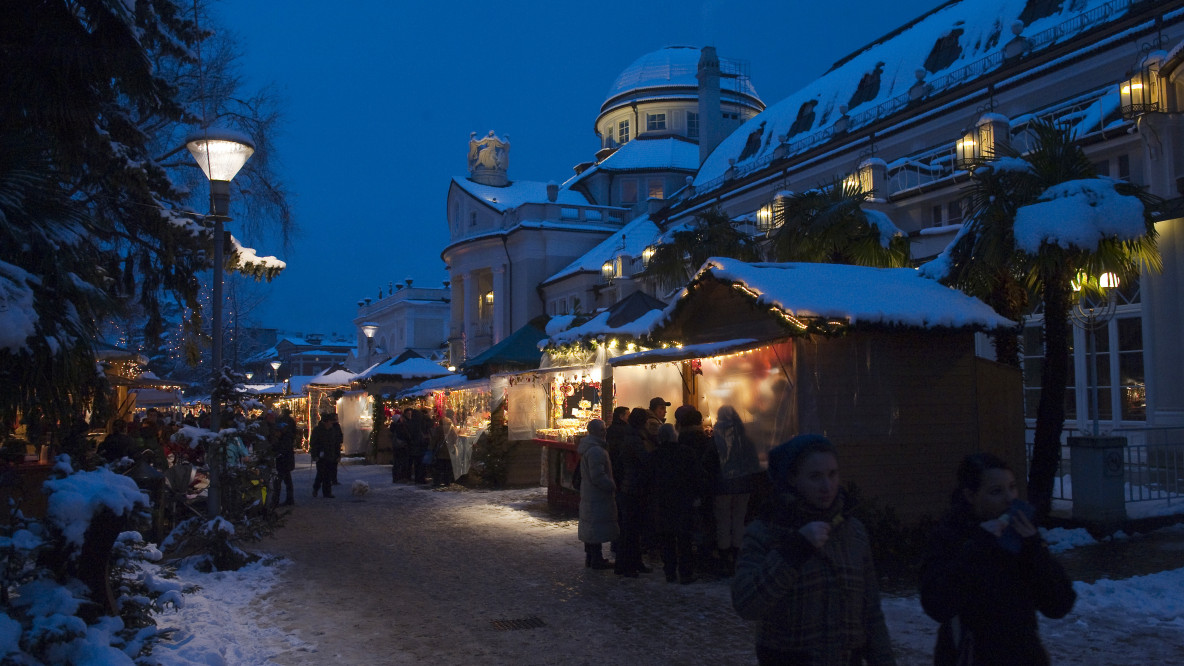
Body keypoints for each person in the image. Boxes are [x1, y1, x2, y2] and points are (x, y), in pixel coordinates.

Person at [732, 434, 896, 666]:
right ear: (792, 479)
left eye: (832, 474)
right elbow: (746, 602)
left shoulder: (852, 532)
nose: (827, 486)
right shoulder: (766, 531)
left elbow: (870, 612)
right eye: (815, 477)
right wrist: (794, 551)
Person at [920, 452, 1075, 666]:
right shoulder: (952, 536)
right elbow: (937, 604)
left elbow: (1059, 604)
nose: (1009, 499)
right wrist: (978, 549)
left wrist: (1034, 551)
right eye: (996, 491)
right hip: (969, 656)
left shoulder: (1022, 537)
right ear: (970, 496)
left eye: (1012, 487)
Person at [652, 423, 705, 583]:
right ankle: (685, 572)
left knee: (666, 538)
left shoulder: (655, 455)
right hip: (683, 500)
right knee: (684, 539)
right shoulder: (686, 453)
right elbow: (697, 476)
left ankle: (669, 571)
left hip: (662, 501)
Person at [712, 405, 761, 575]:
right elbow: (753, 461)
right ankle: (737, 554)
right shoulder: (744, 436)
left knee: (723, 521)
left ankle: (725, 557)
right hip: (743, 485)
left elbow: (709, 461)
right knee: (739, 520)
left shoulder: (715, 437)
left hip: (722, 486)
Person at [615, 407, 654, 577]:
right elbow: (644, 459)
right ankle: (626, 565)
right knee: (631, 529)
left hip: (631, 486)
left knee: (632, 528)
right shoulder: (635, 439)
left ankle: (633, 562)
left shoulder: (632, 435)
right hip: (633, 487)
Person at [577, 419, 617, 570]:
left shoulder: (590, 448)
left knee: (591, 526)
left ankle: (592, 557)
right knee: (595, 526)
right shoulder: (596, 451)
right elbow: (598, 476)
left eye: (604, 429)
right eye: (602, 430)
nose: (605, 432)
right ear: (594, 432)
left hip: (590, 494)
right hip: (597, 496)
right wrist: (611, 485)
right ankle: (596, 558)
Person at [308, 413, 340, 498]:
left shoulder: (332, 430)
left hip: (330, 455)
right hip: (321, 456)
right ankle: (316, 488)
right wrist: (315, 455)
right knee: (321, 474)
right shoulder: (318, 430)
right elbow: (313, 443)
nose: (331, 424)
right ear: (326, 422)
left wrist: (337, 455)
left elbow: (336, 444)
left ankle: (327, 492)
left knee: (328, 475)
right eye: (330, 422)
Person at [274, 408, 297, 505]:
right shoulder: (290, 423)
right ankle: (289, 499)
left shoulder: (284, 437)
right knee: (287, 480)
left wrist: (277, 453)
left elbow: (283, 449)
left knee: (279, 481)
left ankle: (275, 500)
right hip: (287, 460)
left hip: (283, 461)